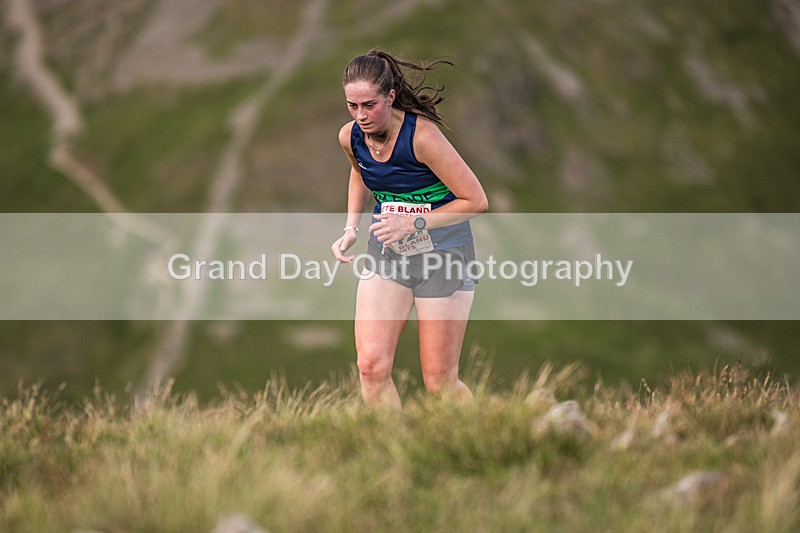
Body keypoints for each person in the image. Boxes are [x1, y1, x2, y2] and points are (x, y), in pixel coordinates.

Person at [331, 50, 488, 407]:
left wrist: (414, 222)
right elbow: (360, 172)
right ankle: (390, 458)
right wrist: (351, 227)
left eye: (369, 105)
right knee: (370, 367)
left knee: (439, 383)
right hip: (388, 256)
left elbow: (476, 201)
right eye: (352, 106)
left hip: (445, 257)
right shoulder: (350, 136)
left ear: (390, 96)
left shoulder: (422, 137)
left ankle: (480, 446)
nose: (361, 116)